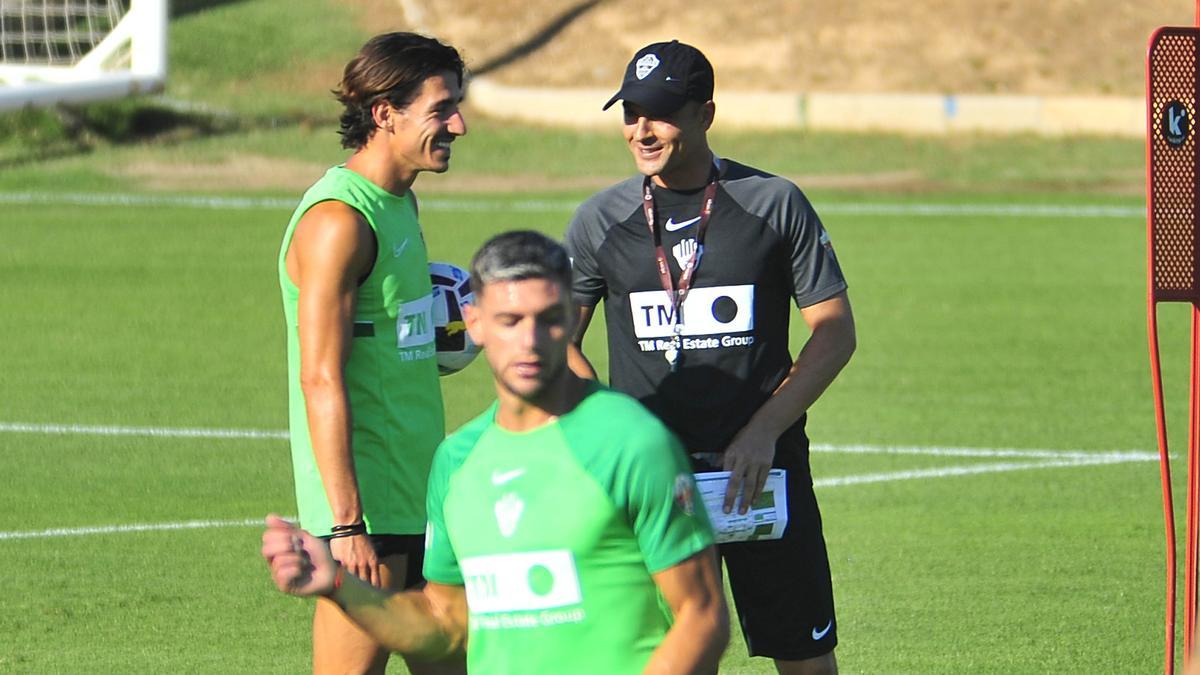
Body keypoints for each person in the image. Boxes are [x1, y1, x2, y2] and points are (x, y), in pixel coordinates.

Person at [263, 231, 730, 674]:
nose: (529, 342)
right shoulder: (457, 460)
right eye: (510, 321)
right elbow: (444, 624)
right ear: (474, 324)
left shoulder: (631, 442)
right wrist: (339, 585)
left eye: (548, 320)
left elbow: (702, 615)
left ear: (570, 318)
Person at [564, 40, 856, 675]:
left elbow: (834, 333)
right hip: (652, 485)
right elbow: (557, 341)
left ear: (706, 114)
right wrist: (617, 432)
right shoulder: (599, 221)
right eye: (631, 112)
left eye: (661, 112)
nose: (642, 129)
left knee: (806, 657)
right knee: (668, 659)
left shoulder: (773, 203)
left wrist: (762, 432)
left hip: (760, 474)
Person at [277, 32, 468, 674]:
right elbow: (320, 377)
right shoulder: (338, 221)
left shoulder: (400, 202)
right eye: (442, 109)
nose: (458, 125)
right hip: (369, 510)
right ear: (386, 113)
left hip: (421, 488)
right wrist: (346, 523)